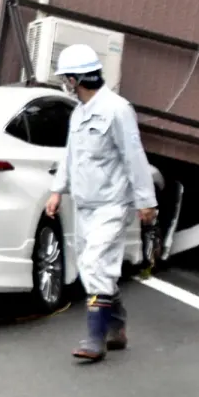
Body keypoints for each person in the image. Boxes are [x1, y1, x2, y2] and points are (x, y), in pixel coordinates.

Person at [45, 43, 158, 363]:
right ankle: (117, 326)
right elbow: (70, 156)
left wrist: (145, 202)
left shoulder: (118, 109)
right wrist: (57, 191)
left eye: (67, 77)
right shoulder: (78, 113)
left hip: (112, 204)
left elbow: (134, 156)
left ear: (76, 78)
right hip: (84, 205)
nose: (65, 83)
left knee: (96, 265)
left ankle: (96, 340)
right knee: (92, 269)